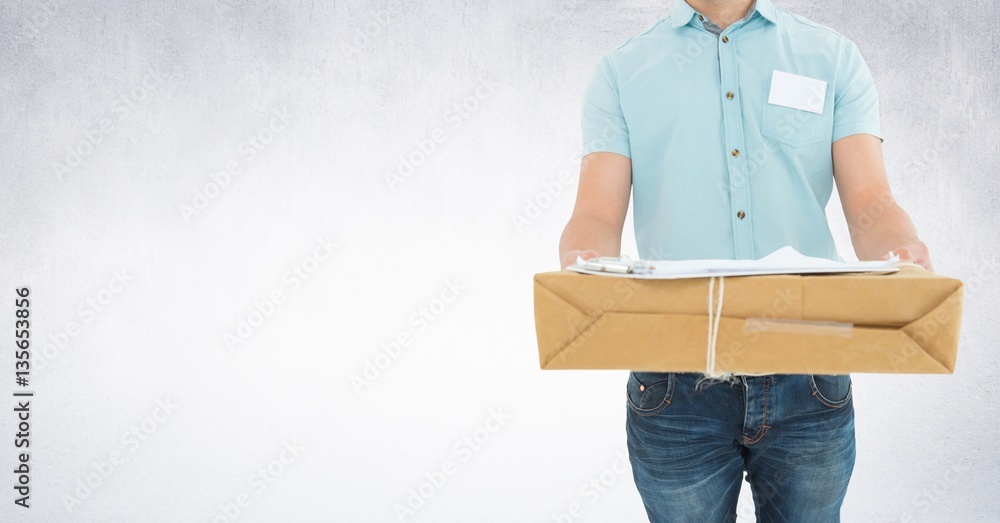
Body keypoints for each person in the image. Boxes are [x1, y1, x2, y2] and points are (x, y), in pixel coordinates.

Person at [558, 0, 932, 520]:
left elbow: (871, 203)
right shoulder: (622, 70)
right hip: (675, 382)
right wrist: (586, 262)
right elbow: (597, 212)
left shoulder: (831, 56)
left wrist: (902, 250)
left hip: (810, 369)